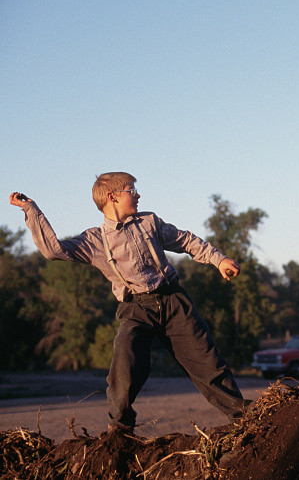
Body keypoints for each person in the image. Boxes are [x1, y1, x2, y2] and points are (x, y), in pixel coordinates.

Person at [9, 172, 248, 433]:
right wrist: (31, 210)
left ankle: (243, 416)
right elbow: (54, 250)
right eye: (131, 190)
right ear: (112, 197)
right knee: (124, 365)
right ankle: (120, 430)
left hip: (173, 299)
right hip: (136, 308)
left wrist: (219, 259)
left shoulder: (149, 222)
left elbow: (185, 240)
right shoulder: (94, 240)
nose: (137, 195)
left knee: (207, 362)